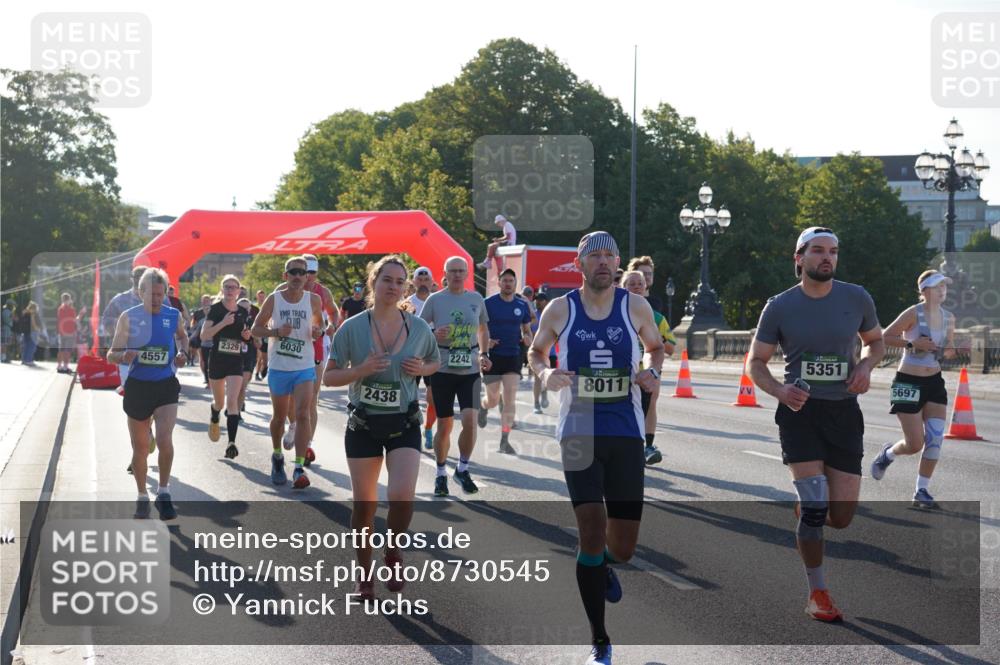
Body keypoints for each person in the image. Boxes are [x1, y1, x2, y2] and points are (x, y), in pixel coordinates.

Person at [528, 231, 664, 665]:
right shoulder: (561, 308)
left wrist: (651, 371)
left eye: (609, 255)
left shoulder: (635, 306)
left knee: (622, 547)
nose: (602, 262)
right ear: (579, 264)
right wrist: (545, 374)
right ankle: (600, 640)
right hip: (578, 429)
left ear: (618, 262)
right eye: (594, 256)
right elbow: (535, 352)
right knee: (590, 530)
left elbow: (656, 348)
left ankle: (603, 563)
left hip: (625, 429)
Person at [748, 226, 883, 623]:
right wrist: (778, 390)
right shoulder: (780, 306)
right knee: (814, 508)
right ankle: (818, 593)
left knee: (840, 517)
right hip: (799, 412)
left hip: (844, 413)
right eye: (819, 251)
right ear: (799, 258)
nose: (827, 257)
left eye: (833, 252)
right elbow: (755, 362)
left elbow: (876, 342)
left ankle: (812, 505)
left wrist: (866, 364)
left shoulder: (856, 297)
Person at [324, 255, 440, 599]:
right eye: (386, 279)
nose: (393, 286)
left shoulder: (418, 328)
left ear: (405, 287)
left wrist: (422, 368)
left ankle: (392, 551)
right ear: (374, 283)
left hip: (403, 422)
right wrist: (359, 370)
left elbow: (436, 362)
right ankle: (364, 576)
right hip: (363, 424)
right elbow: (328, 377)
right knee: (365, 504)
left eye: (398, 281)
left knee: (402, 496)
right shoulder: (353, 327)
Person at [106, 268, 188, 520]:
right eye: (151, 294)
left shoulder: (172, 314)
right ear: (140, 293)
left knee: (164, 439)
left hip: (165, 385)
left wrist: (183, 353)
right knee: (140, 447)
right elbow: (111, 354)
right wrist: (123, 355)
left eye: (160, 294)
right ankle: (142, 496)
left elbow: (183, 338)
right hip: (138, 386)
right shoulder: (128, 317)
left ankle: (164, 493)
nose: (156, 299)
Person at [871, 270, 957, 508]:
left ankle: (921, 490)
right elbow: (884, 337)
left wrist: (951, 350)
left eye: (945, 287)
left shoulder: (949, 318)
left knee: (935, 438)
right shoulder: (913, 313)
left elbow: (948, 348)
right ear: (925, 290)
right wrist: (913, 343)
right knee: (915, 444)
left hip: (934, 383)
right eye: (938, 286)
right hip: (907, 382)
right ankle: (887, 454)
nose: (943, 291)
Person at [419, 256, 491, 496]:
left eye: (461, 271)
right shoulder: (435, 299)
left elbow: (483, 328)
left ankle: (462, 468)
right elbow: (419, 329)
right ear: (445, 274)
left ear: (467, 273)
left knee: (470, 422)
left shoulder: (476, 298)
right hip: (442, 369)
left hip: (470, 369)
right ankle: (441, 474)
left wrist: (484, 353)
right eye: (453, 271)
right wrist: (434, 333)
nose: (458, 275)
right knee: (445, 424)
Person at [251, 257, 324, 490]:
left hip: (304, 366)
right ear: (285, 276)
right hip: (280, 367)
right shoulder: (274, 299)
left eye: (301, 273)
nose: (297, 276)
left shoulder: (314, 300)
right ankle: (277, 456)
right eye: (292, 272)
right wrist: (275, 331)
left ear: (307, 277)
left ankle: (299, 467)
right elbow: (255, 329)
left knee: (303, 415)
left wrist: (316, 331)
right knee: (279, 418)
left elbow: (320, 327)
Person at [278, 254, 340, 465]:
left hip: (314, 347)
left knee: (312, 398)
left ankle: (308, 444)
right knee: (289, 398)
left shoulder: (322, 292)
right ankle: (294, 425)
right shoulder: (281, 291)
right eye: (303, 272)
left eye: (311, 273)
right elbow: (268, 318)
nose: (308, 277)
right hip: (286, 349)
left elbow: (333, 313)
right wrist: (275, 331)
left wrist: (331, 325)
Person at [622, 270, 676, 465]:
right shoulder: (613, 312)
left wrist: (656, 341)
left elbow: (670, 348)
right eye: (631, 283)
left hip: (648, 371)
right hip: (623, 371)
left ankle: (648, 446)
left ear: (646, 288)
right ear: (623, 287)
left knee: (648, 405)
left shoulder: (658, 318)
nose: (636, 286)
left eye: (640, 283)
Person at [479, 269, 532, 454]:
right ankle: (484, 406)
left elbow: (527, 330)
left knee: (510, 399)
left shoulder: (521, 305)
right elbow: (479, 329)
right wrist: (487, 343)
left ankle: (504, 439)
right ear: (499, 283)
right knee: (493, 400)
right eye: (505, 280)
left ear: (515, 283)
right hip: (493, 357)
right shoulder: (488, 303)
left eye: (511, 280)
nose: (508, 283)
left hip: (513, 356)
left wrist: (527, 338)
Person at [201, 275, 252, 459]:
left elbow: (245, 337)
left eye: (233, 287)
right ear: (222, 290)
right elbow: (204, 335)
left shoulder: (243, 312)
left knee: (232, 402)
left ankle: (231, 443)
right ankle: (215, 412)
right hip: (217, 360)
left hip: (235, 360)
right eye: (227, 287)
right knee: (220, 402)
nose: (230, 290)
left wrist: (246, 335)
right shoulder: (215, 310)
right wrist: (223, 322)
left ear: (239, 291)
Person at [101, 266, 146, 392]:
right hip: (128, 358)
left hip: (153, 358)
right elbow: (106, 319)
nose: (141, 280)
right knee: (132, 396)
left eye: (144, 276)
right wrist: (119, 337)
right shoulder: (120, 299)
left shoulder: (160, 299)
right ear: (132, 279)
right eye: (138, 277)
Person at [408, 266, 437, 450]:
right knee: (410, 396)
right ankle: (413, 427)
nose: (423, 283)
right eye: (420, 279)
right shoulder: (407, 304)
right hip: (411, 354)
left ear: (432, 282)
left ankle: (428, 428)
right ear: (413, 282)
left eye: (427, 280)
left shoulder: (438, 302)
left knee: (433, 397)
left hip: (432, 354)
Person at [530, 291, 557, 413]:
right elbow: (527, 332)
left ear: (546, 302)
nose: (537, 302)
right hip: (537, 353)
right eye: (536, 299)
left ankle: (544, 392)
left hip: (550, 353)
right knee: (537, 379)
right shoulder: (532, 316)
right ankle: (536, 404)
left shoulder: (552, 315)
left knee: (547, 378)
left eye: (540, 300)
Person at [236, 297, 259, 419]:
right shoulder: (230, 320)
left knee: (242, 386)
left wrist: (253, 337)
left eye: (246, 308)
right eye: (241, 307)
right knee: (234, 387)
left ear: (250, 309)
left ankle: (237, 411)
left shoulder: (253, 324)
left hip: (248, 356)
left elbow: (259, 344)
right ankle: (232, 407)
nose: (244, 310)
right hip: (232, 356)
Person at [189, 295, 214, 383]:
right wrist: (195, 330)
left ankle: (211, 377)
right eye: (204, 300)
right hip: (200, 337)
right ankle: (206, 376)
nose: (206, 302)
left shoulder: (214, 311)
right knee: (202, 358)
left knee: (211, 359)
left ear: (210, 301)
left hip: (212, 339)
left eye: (207, 300)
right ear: (201, 302)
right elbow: (193, 324)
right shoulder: (198, 313)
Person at [56, 293, 77, 373]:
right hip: (69, 332)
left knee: (61, 349)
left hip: (61, 332)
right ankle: (65, 366)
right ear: (69, 300)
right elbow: (73, 321)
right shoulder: (71, 309)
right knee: (67, 349)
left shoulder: (60, 309)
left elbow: (59, 320)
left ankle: (59, 365)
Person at [19, 302, 42, 367]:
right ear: (34, 308)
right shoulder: (33, 314)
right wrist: (37, 329)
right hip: (33, 332)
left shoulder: (25, 314)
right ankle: (28, 360)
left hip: (25, 332)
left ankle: (24, 360)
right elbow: (34, 325)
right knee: (31, 347)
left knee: (26, 347)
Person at [254, 289, 270, 380]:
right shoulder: (255, 307)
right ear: (257, 296)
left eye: (263, 296)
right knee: (258, 355)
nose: (261, 297)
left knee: (263, 356)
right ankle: (257, 373)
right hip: (256, 331)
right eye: (259, 296)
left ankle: (263, 370)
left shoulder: (267, 306)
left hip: (265, 332)